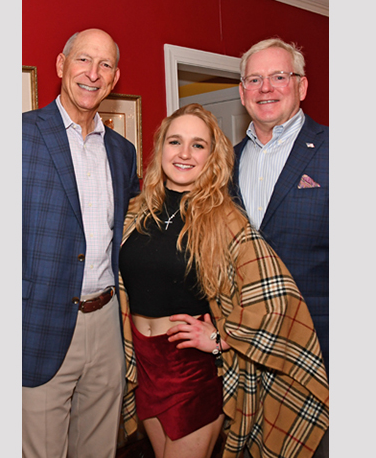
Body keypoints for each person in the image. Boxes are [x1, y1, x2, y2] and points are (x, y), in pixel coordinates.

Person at [118, 103, 328, 458]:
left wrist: (221, 338)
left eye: (198, 145)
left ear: (212, 156)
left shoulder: (225, 219)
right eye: (175, 142)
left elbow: (278, 297)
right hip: (144, 365)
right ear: (161, 148)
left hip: (190, 370)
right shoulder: (136, 211)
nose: (184, 154)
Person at [22, 28, 140, 458]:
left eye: (105, 64)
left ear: (115, 78)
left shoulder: (123, 152)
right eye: (83, 60)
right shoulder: (20, 136)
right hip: (38, 324)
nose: (93, 73)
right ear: (60, 65)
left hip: (107, 323)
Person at [233, 37, 330, 458]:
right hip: (246, 350)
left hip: (319, 349)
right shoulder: (226, 161)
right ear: (241, 92)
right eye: (254, 79)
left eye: (278, 76)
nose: (266, 88)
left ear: (302, 86)